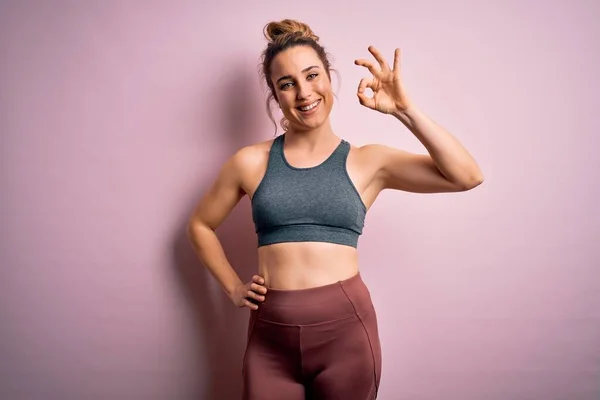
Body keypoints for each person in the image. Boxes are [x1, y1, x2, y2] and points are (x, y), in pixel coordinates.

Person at [187, 18, 483, 400]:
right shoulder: (250, 162)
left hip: (346, 337)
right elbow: (200, 225)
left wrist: (404, 110)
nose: (303, 92)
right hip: (269, 341)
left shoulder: (368, 162)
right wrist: (232, 288)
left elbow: (466, 176)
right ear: (275, 97)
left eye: (312, 76)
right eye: (287, 83)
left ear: (329, 78)